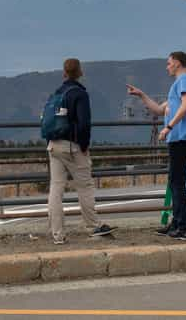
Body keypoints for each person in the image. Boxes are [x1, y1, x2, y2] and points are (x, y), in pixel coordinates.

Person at [127, 51, 186, 241]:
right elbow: (159, 109)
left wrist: (169, 127)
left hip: (181, 138)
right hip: (176, 139)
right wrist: (141, 95)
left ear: (177, 63)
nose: (167, 66)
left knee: (177, 182)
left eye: (168, 63)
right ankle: (176, 223)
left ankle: (183, 227)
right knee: (175, 181)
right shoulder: (177, 85)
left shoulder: (185, 80)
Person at [46, 58, 115, 244]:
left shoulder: (56, 93)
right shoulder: (79, 94)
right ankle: (93, 226)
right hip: (73, 146)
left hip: (53, 144)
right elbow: (84, 124)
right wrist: (83, 146)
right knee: (84, 186)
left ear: (64, 73)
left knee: (56, 188)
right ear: (80, 72)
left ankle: (57, 234)